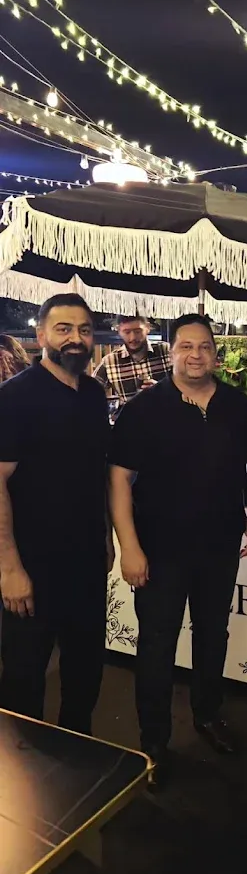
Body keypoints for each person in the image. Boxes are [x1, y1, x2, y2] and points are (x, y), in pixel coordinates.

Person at [109, 314, 247, 779]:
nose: (196, 354)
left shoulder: (236, 405)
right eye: (186, 346)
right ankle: (153, 744)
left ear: (216, 353)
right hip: (160, 548)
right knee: (156, 645)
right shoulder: (143, 408)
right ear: (171, 351)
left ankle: (208, 715)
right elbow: (119, 480)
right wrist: (129, 546)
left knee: (214, 634)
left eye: (205, 346)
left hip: (219, 544)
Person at [0, 295, 111, 735]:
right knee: (25, 679)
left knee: (85, 672)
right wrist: (9, 568)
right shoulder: (15, 396)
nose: (75, 338)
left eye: (83, 329)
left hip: (86, 561)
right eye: (63, 329)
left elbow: (96, 472)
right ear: (42, 334)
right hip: (32, 564)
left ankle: (78, 754)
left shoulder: (94, 394)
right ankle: (23, 769)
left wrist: (105, 536)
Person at [94, 314, 170, 411]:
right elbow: (90, 392)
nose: (132, 337)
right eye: (127, 332)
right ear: (119, 330)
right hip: (130, 418)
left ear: (147, 328)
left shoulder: (166, 351)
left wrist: (162, 389)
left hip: (167, 415)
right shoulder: (110, 361)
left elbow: (186, 385)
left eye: (138, 331)